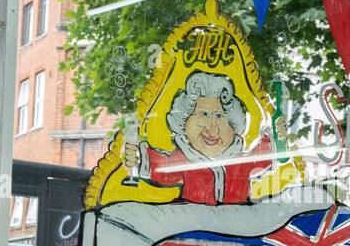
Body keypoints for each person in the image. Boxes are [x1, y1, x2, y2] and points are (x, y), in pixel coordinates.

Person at [122, 70, 286, 205]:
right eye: (203, 115)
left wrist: (279, 138)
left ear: (234, 126)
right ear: (185, 123)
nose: (212, 129)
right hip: (195, 233)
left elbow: (268, 156)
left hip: (238, 232)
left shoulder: (240, 163)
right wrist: (135, 157)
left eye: (220, 117)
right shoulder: (183, 162)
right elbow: (158, 167)